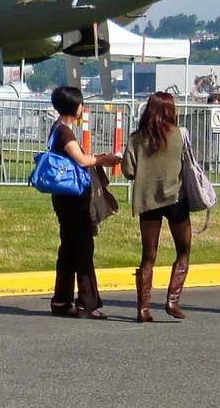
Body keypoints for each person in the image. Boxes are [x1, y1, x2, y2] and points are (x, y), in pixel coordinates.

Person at [46, 85, 121, 318]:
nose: (82, 107)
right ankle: (87, 303)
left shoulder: (59, 129)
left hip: (65, 197)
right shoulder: (64, 132)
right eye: (80, 104)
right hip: (73, 198)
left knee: (69, 249)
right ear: (73, 106)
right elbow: (81, 160)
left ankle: (61, 300)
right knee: (83, 248)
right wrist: (103, 159)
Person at [122, 92, 191, 322]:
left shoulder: (136, 138)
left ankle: (143, 308)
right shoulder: (179, 135)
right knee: (183, 250)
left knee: (148, 256)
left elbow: (128, 171)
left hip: (147, 200)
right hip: (176, 198)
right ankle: (172, 301)